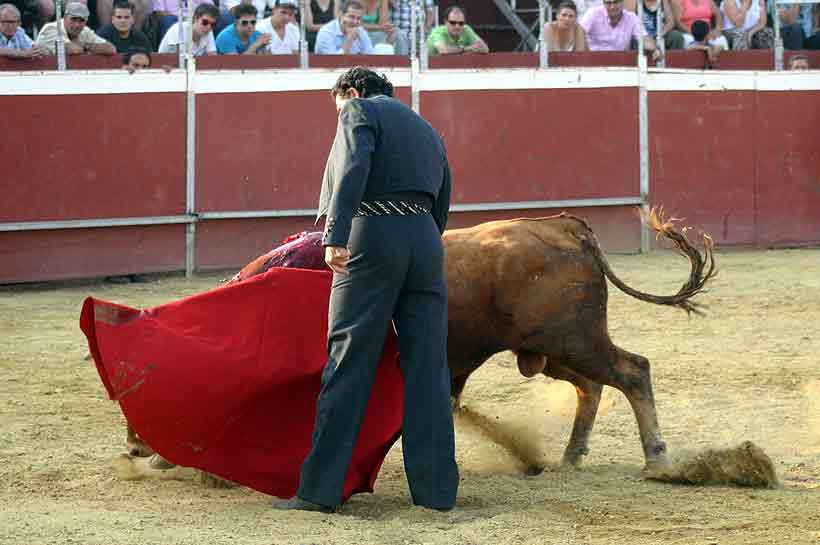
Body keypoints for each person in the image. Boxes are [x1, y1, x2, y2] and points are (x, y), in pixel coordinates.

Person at [275, 66, 458, 514]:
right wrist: (423, 242)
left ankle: (317, 492)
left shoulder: (357, 110)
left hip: (372, 235)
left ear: (352, 92)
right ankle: (436, 494)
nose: (339, 116)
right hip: (426, 242)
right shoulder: (427, 128)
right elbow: (444, 196)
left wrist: (336, 233)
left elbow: (354, 164)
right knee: (429, 369)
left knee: (348, 359)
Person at [579, 0, 661, 60]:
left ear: (622, 2)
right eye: (608, 3)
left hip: (621, 61)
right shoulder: (593, 13)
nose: (612, 6)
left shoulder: (631, 18)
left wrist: (654, 49)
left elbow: (644, 38)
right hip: (594, 60)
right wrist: (586, 52)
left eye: (615, 2)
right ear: (603, 3)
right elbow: (579, 31)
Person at [36, 2, 117, 56]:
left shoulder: (85, 30)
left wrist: (85, 46)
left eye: (81, 20)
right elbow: (70, 50)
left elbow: (111, 49)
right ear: (65, 18)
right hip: (38, 74)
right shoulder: (51, 29)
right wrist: (90, 49)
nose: (77, 25)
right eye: (73, 19)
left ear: (86, 22)